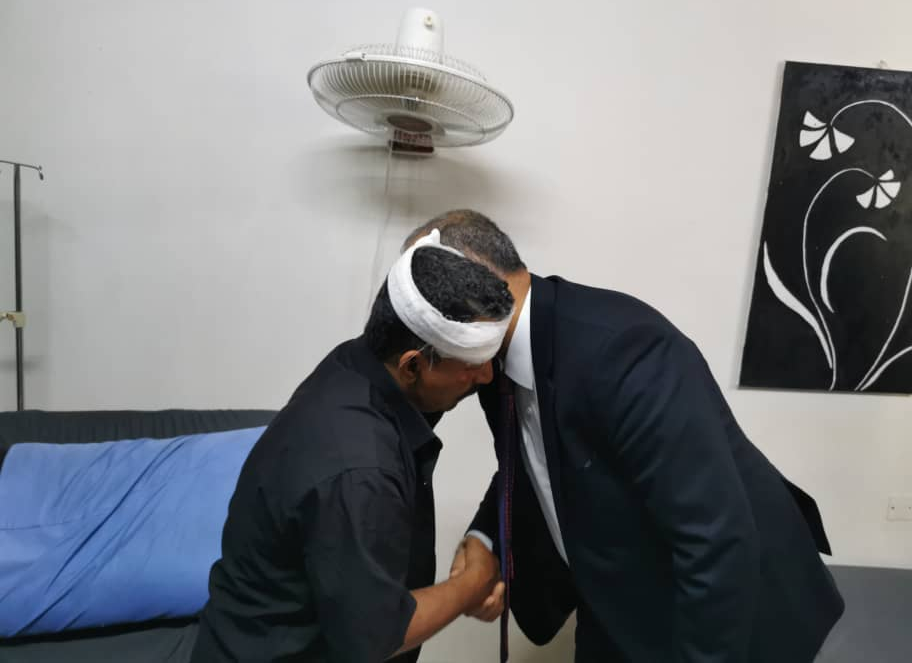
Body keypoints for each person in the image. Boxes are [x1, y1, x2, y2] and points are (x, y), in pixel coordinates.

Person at [405, 211, 845, 663]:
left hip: (728, 616)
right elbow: (531, 462)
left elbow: (716, 544)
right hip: (620, 599)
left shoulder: (623, 352)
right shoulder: (493, 363)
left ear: (471, 290)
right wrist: (485, 537)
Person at [191, 230, 513, 663]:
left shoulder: (357, 363)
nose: (486, 376)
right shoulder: (361, 471)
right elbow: (376, 636)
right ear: (413, 366)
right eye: (472, 365)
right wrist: (472, 583)